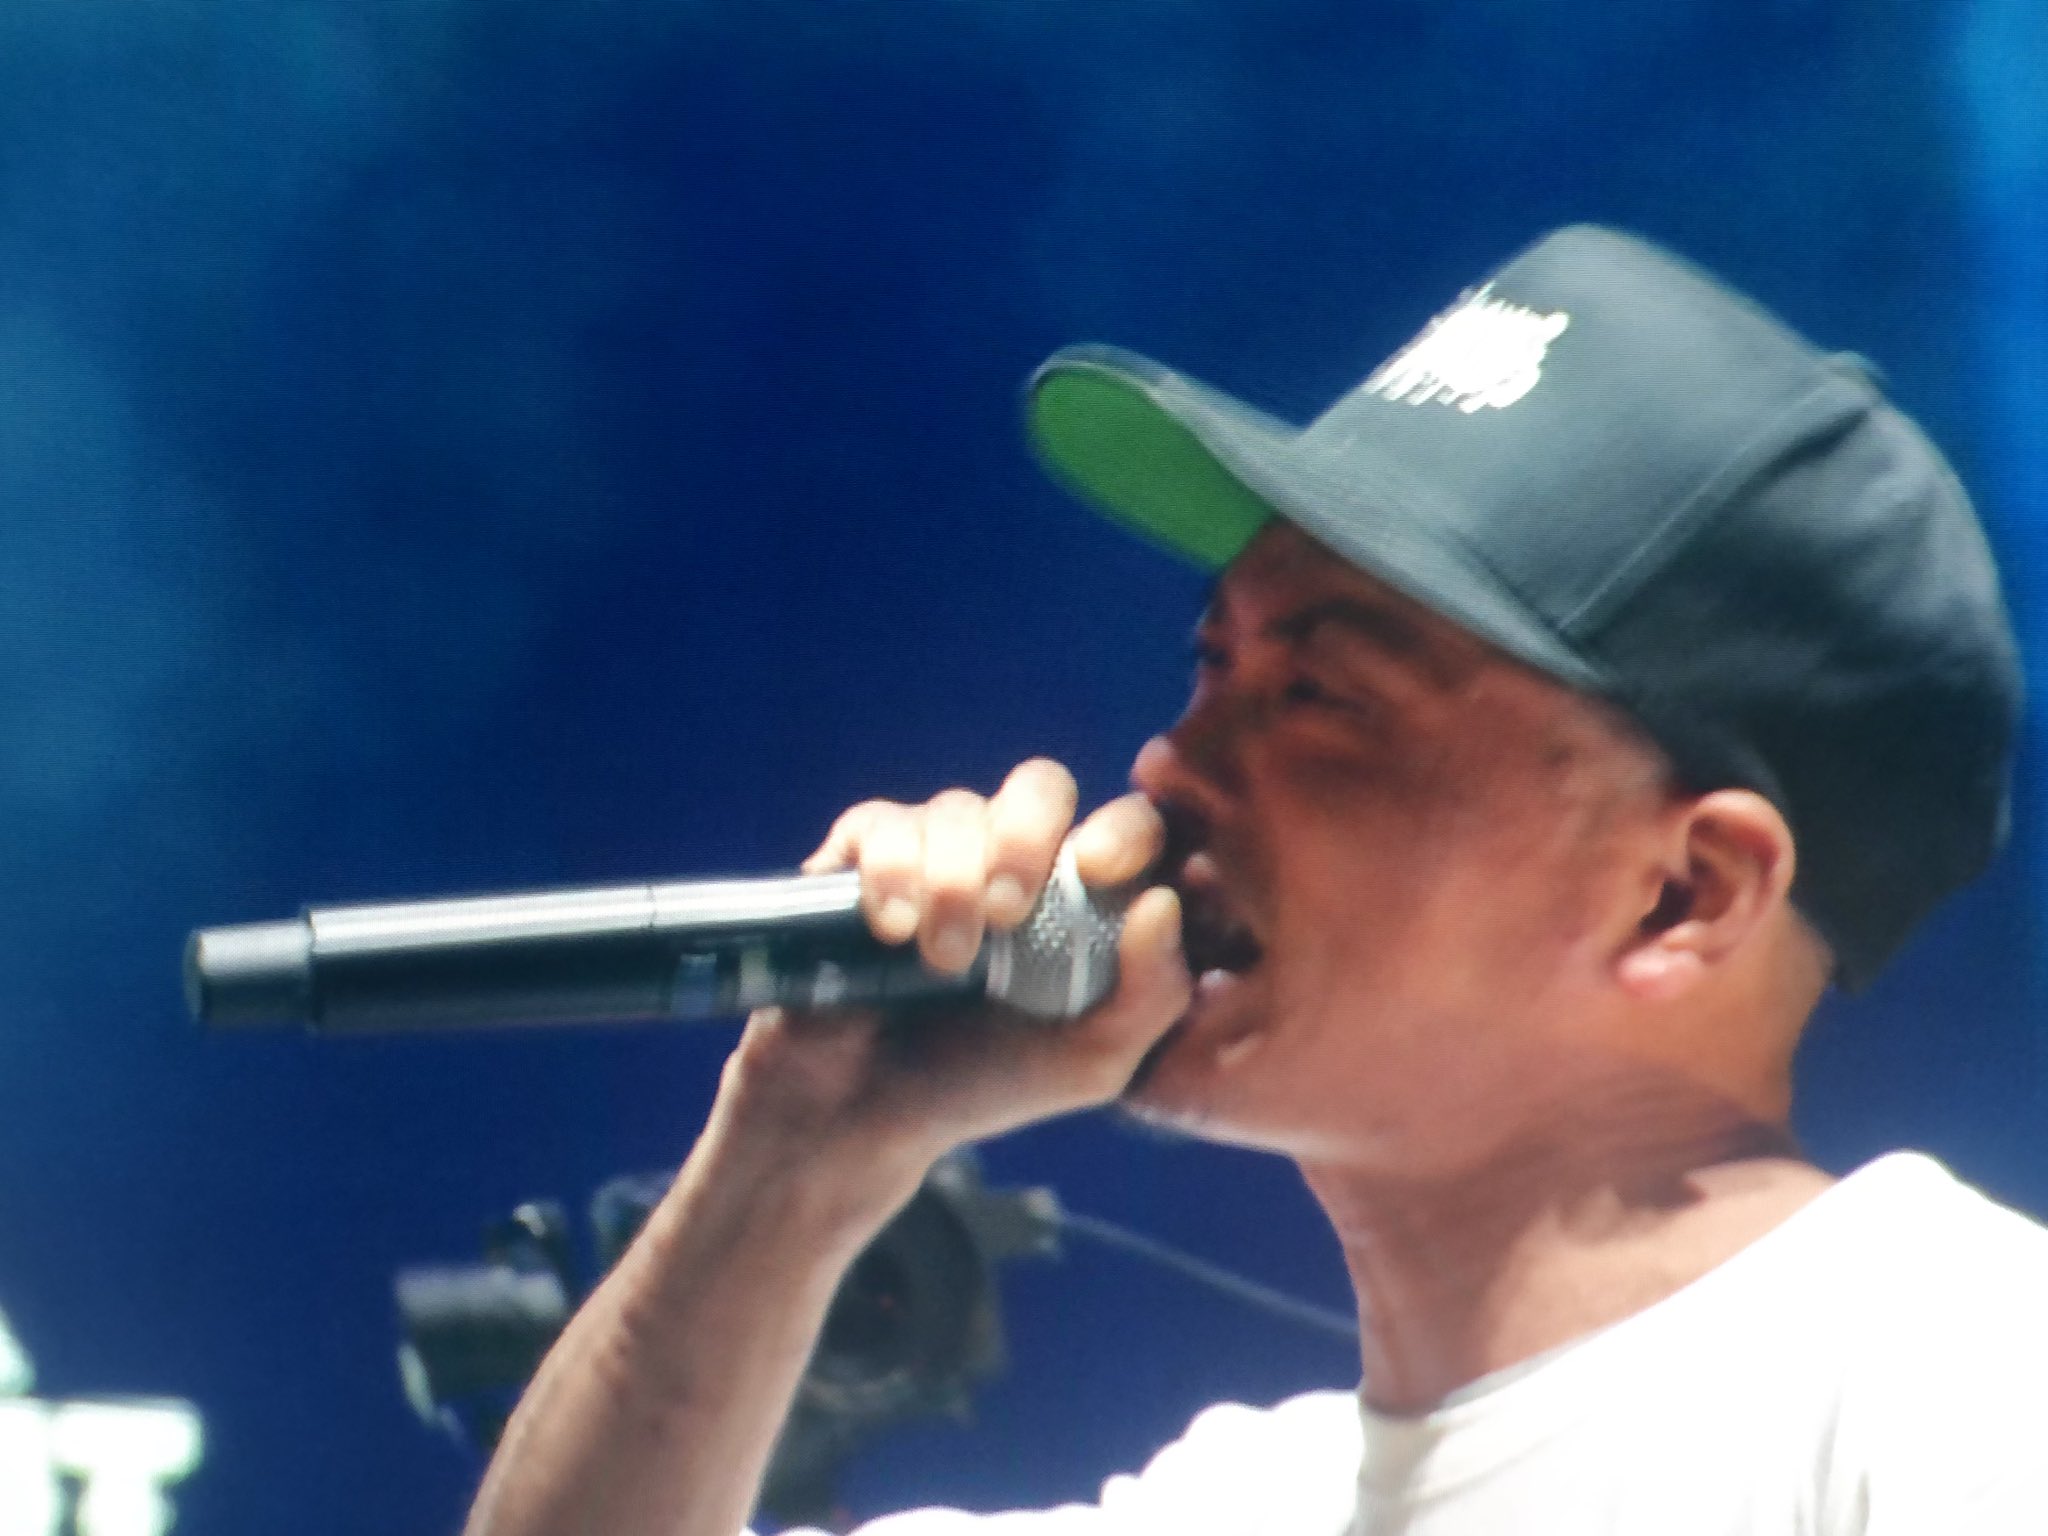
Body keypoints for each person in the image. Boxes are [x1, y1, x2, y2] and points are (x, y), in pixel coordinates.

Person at [462, 226, 2047, 1536]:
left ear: (1683, 895)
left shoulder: (1961, 1395)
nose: (1168, 765)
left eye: (1323, 696)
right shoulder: (1239, 1501)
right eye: (1212, 661)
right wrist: (802, 1153)